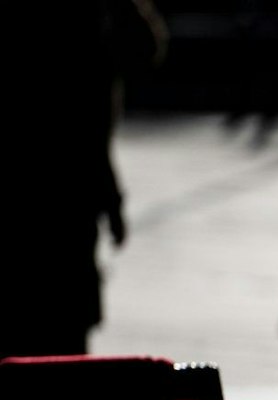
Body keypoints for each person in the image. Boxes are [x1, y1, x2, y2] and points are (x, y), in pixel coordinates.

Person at [1, 0, 166, 359]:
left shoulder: (93, 21)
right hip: (65, 205)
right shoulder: (89, 25)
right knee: (58, 341)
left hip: (70, 202)